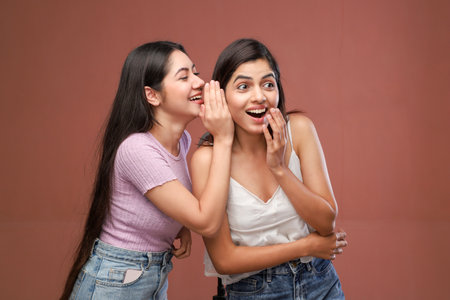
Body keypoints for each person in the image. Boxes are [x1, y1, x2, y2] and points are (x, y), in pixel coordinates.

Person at [61, 41, 234, 300]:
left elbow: (158, 198)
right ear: (152, 95)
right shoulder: (137, 149)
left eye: (195, 72)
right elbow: (207, 222)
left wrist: (178, 224)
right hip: (116, 282)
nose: (199, 82)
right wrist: (223, 138)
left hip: (149, 278)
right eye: (184, 76)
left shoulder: (182, 140)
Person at [190, 38, 347, 299]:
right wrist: (306, 245)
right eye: (243, 86)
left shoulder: (299, 129)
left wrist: (280, 169)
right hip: (253, 291)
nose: (259, 97)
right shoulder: (207, 159)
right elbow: (224, 260)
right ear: (222, 96)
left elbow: (326, 221)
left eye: (268, 84)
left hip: (320, 283)